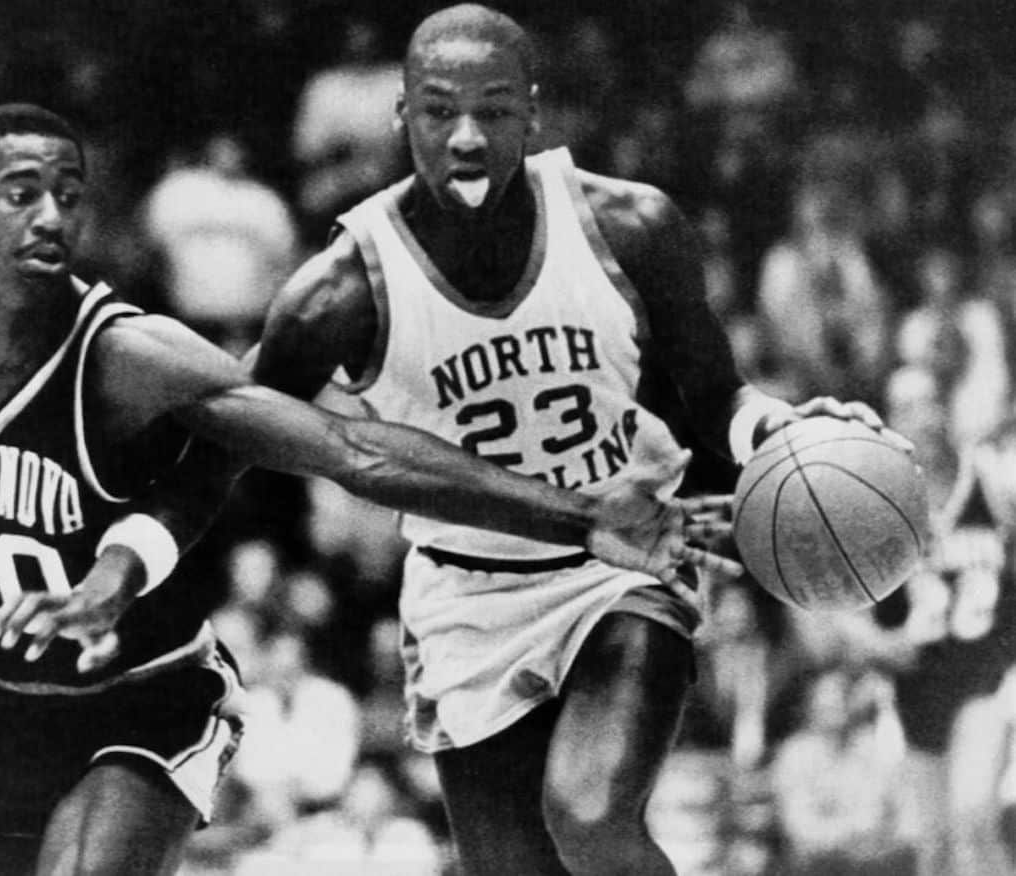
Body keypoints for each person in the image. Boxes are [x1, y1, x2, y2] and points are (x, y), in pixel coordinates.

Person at [0, 103, 738, 876]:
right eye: (22, 193)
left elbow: (351, 450)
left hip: (143, 696)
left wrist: (575, 514)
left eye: (69, 193)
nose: (53, 215)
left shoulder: (125, 358)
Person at [166, 7, 899, 875]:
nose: (467, 137)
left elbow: (716, 395)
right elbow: (233, 428)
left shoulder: (631, 225)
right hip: (466, 596)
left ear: (534, 114)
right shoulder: (342, 289)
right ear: (403, 117)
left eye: (495, 109)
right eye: (440, 111)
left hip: (621, 562)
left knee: (589, 817)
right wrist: (130, 561)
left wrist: (774, 424)